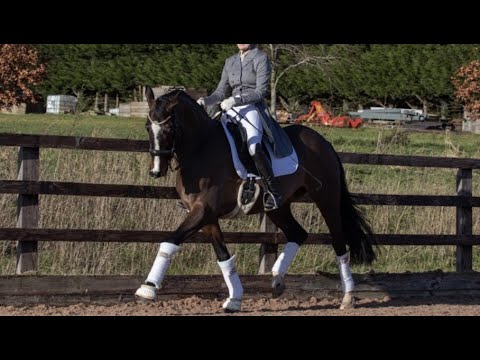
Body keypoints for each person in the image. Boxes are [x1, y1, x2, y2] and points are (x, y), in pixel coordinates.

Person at [198, 44, 289, 211]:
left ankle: (273, 192)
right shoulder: (230, 61)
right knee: (212, 140)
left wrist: (235, 100)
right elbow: (220, 92)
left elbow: (261, 91)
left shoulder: (260, 58)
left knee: (254, 146)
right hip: (230, 108)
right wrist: (205, 101)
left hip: (252, 108)